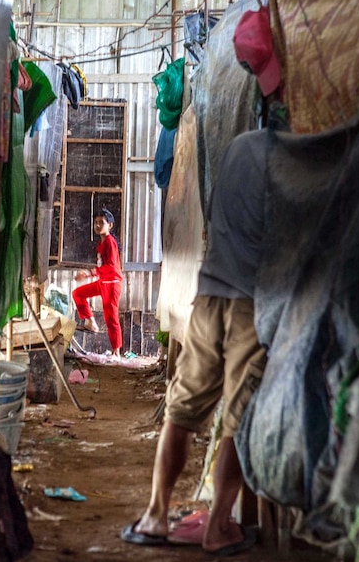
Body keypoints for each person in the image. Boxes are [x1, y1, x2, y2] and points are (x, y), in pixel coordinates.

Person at [120, 129, 269, 557]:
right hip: (252, 304)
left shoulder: (237, 147)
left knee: (182, 409)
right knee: (238, 418)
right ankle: (219, 526)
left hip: (209, 295)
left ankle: (155, 515)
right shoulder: (294, 163)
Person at [72, 208, 124, 357]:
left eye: (102, 222)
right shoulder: (101, 244)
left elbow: (111, 267)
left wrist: (89, 273)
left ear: (110, 225)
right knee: (78, 294)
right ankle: (91, 323)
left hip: (112, 283)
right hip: (103, 282)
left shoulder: (110, 242)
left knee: (111, 317)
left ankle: (116, 352)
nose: (98, 225)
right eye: (96, 222)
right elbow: (103, 266)